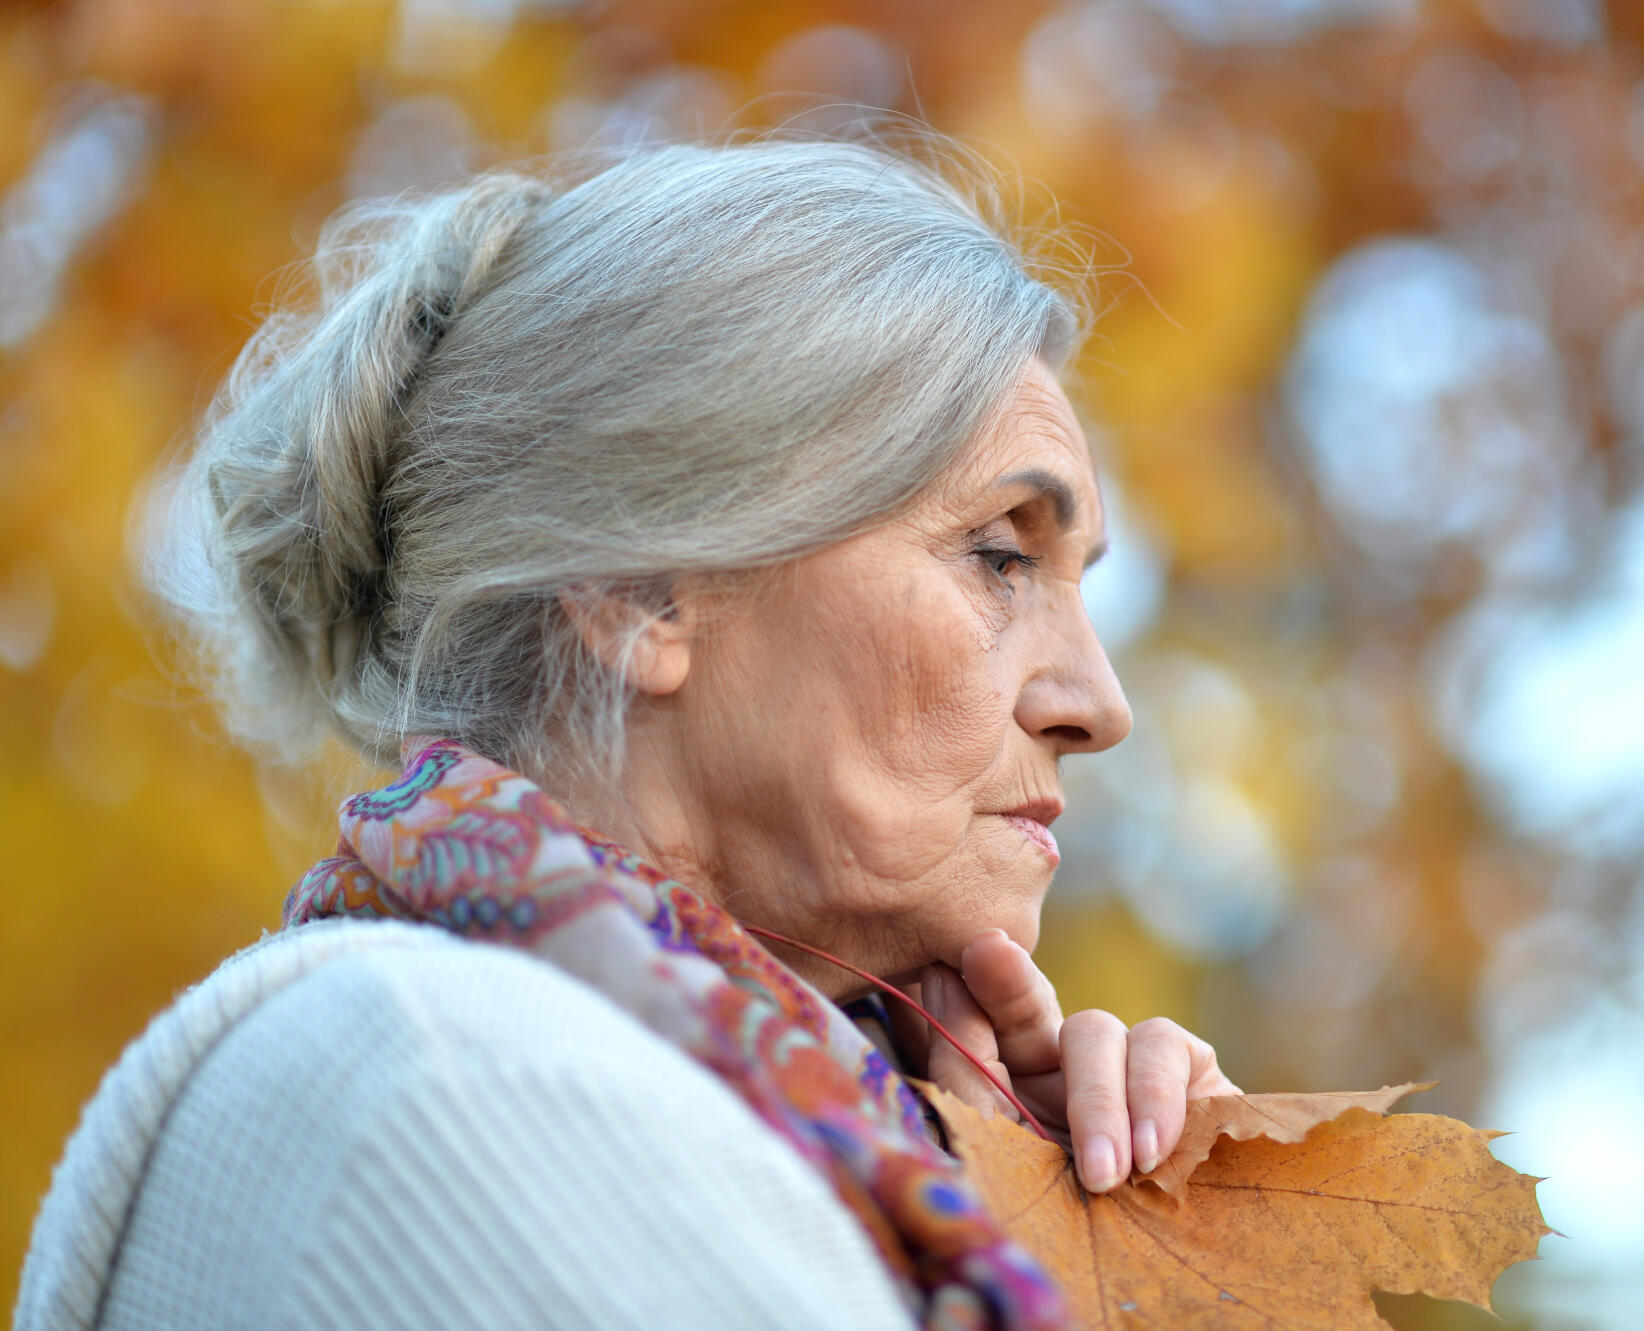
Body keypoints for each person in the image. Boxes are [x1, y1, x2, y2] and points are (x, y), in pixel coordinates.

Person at [15, 133, 1240, 1331]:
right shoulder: (454, 1091)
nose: (1098, 701)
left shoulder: (847, 1142)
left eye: (1076, 578)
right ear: (638, 588)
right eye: (998, 554)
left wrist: (1125, 1242)